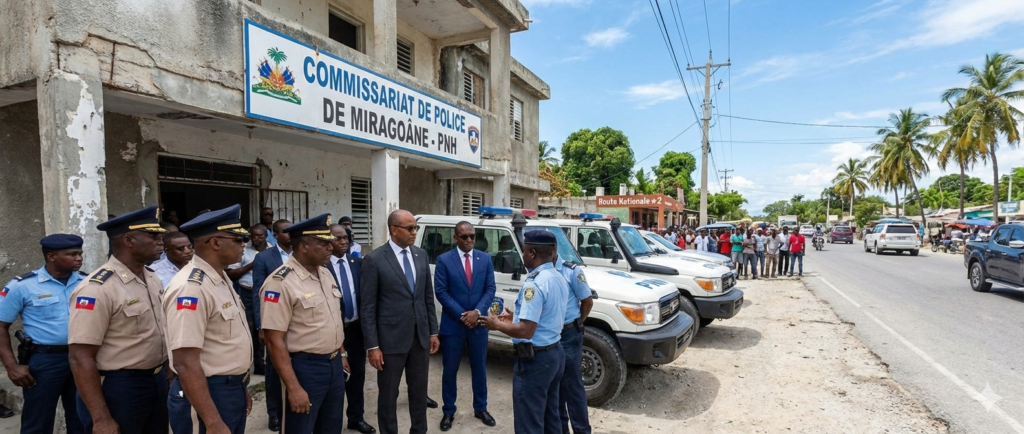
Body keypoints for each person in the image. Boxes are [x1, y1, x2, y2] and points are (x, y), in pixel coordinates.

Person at [68, 205, 169, 434]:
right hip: (120, 387)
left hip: (156, 380)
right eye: (153, 235)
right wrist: (101, 418)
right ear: (128, 240)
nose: (161, 241)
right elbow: (80, 357)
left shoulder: (151, 278)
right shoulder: (97, 288)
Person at [164, 205, 253, 434]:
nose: (244, 244)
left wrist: (240, 386)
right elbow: (185, 361)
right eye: (239, 239)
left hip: (228, 388)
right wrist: (212, 421)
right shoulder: (191, 287)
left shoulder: (219, 277)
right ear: (215, 243)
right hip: (207, 393)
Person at [261, 214, 347, 434]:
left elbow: (332, 319)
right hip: (303, 369)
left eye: (330, 242)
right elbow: (273, 340)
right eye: (324, 243)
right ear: (303, 246)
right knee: (300, 428)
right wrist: (293, 387)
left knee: (331, 427)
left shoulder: (325, 273)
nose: (331, 247)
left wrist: (341, 354)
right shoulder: (280, 282)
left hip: (333, 366)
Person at [478, 231, 568, 433]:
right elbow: (545, 317)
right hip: (555, 353)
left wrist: (497, 325)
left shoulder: (534, 284)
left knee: (529, 422)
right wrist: (514, 319)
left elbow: (527, 331)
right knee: (551, 416)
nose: (523, 255)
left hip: (536, 360)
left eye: (525, 251)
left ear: (533, 253)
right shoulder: (557, 277)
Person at [361, 209, 440, 434]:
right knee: (388, 396)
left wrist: (433, 332)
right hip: (390, 342)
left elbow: (426, 297)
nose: (415, 232)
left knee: (419, 392)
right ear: (394, 230)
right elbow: (367, 307)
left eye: (416, 227)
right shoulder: (375, 259)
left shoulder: (420, 255)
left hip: (419, 339)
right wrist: (373, 346)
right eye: (410, 228)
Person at [0, 234, 87, 434]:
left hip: (82, 357)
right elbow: (1, 326)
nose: (79, 258)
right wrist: (12, 366)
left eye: (80, 253)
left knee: (81, 418)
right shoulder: (22, 286)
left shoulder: (87, 282)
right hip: (45, 360)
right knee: (37, 421)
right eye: (72, 254)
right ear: (51, 256)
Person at [433, 221, 497, 431]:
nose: (469, 240)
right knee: (450, 370)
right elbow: (441, 292)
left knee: (479, 369)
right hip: (453, 326)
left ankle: (481, 408)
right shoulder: (444, 260)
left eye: (472, 236)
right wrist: (463, 315)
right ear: (455, 238)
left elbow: (490, 288)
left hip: (478, 324)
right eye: (464, 236)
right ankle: (448, 411)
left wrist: (477, 312)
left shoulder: (485, 259)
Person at [327, 225, 377, 434]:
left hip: (356, 330)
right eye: (338, 238)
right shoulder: (321, 267)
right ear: (328, 241)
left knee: (357, 376)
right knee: (335, 379)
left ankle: (356, 418)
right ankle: (331, 424)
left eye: (346, 238)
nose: (344, 242)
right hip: (332, 332)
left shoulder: (358, 263)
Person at [252, 219, 292, 432]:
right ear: (275, 235)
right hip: (274, 321)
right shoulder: (264, 258)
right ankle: (274, 413)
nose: (290, 234)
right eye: (285, 232)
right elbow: (258, 291)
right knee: (274, 370)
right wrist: (261, 325)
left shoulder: (301, 254)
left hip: (296, 321)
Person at [552, 249, 593, 434]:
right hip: (551, 336)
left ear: (552, 250)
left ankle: (582, 430)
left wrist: (577, 323)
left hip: (568, 335)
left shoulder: (571, 271)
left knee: (573, 387)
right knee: (556, 388)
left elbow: (587, 301)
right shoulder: (541, 271)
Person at [226, 223, 270, 375]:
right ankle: (251, 363)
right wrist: (253, 264)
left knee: (266, 327)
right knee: (250, 329)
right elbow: (231, 274)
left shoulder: (272, 250)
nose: (256, 238)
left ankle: (263, 363)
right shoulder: (244, 250)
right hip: (248, 293)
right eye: (253, 235)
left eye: (260, 236)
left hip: (268, 295)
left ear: (266, 236)